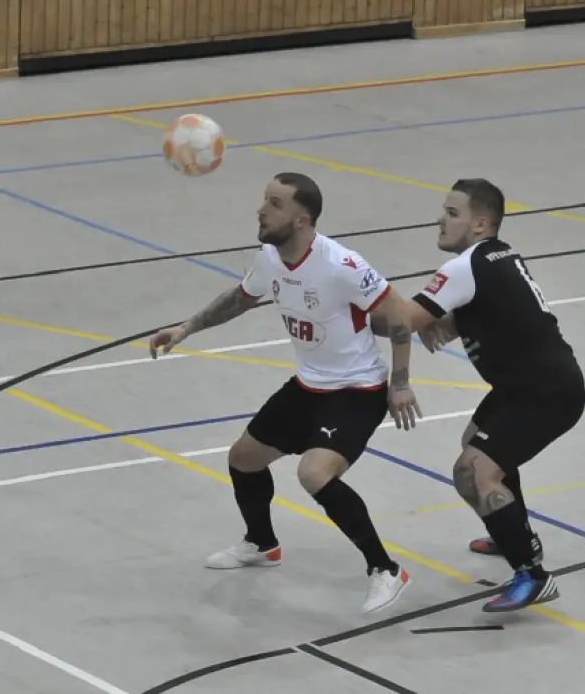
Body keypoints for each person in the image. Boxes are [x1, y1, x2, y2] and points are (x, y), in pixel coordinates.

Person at [147, 172, 424, 615]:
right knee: (243, 458)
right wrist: (186, 327)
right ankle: (262, 543)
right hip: (308, 384)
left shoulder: (342, 265)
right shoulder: (272, 259)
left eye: (274, 203)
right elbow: (240, 298)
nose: (261, 209)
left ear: (301, 219)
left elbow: (400, 316)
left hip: (357, 388)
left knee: (315, 474)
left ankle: (386, 570)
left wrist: (401, 382)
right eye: (264, 199)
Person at [375, 178, 585, 613]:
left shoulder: (464, 267)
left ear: (480, 224)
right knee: (476, 445)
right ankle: (513, 529)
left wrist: (357, 297)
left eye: (453, 213)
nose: (441, 219)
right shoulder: (498, 254)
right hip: (531, 383)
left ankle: (532, 574)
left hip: (544, 392)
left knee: (473, 471)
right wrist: (453, 322)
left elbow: (401, 322)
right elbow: (501, 305)